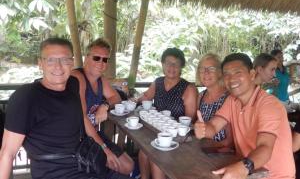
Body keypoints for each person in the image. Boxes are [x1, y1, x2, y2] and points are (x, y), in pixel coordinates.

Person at [0, 37, 132, 179]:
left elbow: (83, 115)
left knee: (126, 167)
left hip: (85, 162)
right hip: (56, 171)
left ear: (72, 63)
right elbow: (7, 153)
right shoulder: (26, 97)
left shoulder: (73, 85)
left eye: (64, 60)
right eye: (50, 60)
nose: (58, 66)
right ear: (40, 63)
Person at [194, 53, 295, 179]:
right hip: (249, 171)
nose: (231, 79)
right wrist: (203, 129)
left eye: (237, 72)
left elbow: (265, 147)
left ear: (252, 74)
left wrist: (244, 167)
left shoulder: (269, 104)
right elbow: (213, 126)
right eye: (227, 74)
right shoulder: (232, 101)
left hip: (275, 176)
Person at [71, 38, 133, 175]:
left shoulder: (100, 80)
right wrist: (105, 149)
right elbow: (83, 118)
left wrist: (104, 106)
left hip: (92, 136)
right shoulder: (78, 78)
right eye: (96, 58)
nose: (101, 63)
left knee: (128, 166)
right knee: (110, 165)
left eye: (105, 59)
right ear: (86, 58)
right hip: (76, 139)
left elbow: (115, 97)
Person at [138, 47, 197, 179]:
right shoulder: (158, 82)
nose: (171, 66)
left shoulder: (188, 88)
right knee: (143, 152)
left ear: (181, 66)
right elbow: (146, 97)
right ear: (163, 65)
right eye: (168, 63)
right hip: (156, 131)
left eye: (176, 63)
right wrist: (132, 99)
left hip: (177, 138)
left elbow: (188, 121)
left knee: (154, 157)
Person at [196, 53, 232, 147]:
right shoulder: (201, 96)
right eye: (202, 69)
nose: (206, 72)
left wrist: (211, 148)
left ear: (220, 73)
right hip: (202, 148)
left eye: (211, 69)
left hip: (221, 153)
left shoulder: (228, 98)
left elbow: (230, 141)